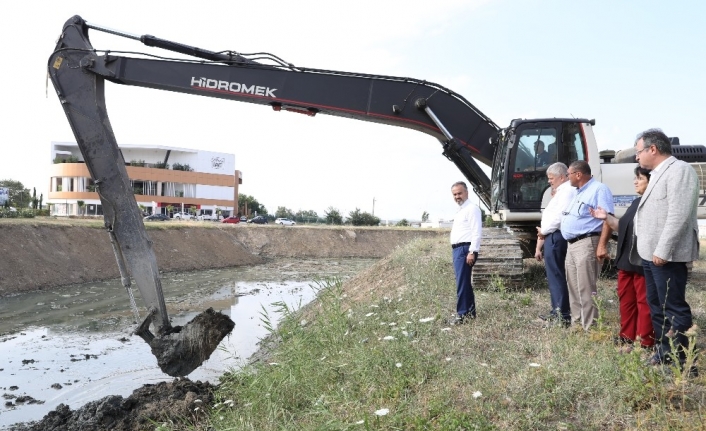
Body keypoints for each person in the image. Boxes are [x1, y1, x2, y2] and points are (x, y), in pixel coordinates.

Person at [633, 128, 699, 371]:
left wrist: (663, 249)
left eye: (639, 151)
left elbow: (678, 214)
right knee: (656, 304)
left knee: (673, 307)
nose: (637, 157)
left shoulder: (679, 170)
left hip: (665, 255)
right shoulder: (658, 173)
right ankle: (665, 352)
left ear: (653, 149)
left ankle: (684, 361)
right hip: (651, 255)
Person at [590, 167, 655, 352]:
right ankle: (626, 336)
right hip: (626, 260)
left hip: (642, 260)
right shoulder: (636, 202)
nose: (635, 181)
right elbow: (622, 227)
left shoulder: (654, 204)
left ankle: (645, 341)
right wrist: (606, 217)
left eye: (640, 178)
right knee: (626, 300)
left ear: (652, 182)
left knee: (644, 302)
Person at [560, 160, 614, 330]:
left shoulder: (599, 189)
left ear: (578, 174)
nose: (567, 177)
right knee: (574, 287)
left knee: (586, 287)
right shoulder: (577, 192)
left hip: (587, 243)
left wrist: (601, 246)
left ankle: (590, 328)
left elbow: (608, 219)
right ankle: (577, 325)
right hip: (572, 245)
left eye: (568, 174)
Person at [534, 162, 576, 326]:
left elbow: (559, 217)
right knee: (554, 275)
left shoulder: (566, 192)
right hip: (552, 235)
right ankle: (557, 310)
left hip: (555, 235)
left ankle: (561, 313)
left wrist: (544, 231)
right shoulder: (561, 192)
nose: (549, 181)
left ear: (561, 176)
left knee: (556, 275)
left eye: (551, 178)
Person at [449, 181, 482, 325]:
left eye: (459, 193)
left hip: (465, 249)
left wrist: (472, 251)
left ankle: (462, 315)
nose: (457, 196)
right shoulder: (461, 210)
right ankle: (469, 313)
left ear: (467, 192)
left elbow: (476, 232)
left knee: (462, 284)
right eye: (455, 194)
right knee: (464, 283)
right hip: (459, 249)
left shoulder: (472, 209)